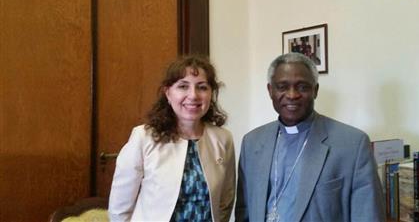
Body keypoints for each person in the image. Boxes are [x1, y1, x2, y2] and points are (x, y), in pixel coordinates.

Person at [235, 53, 384, 222]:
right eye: (282, 86)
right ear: (270, 90)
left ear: (315, 90)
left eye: (302, 87)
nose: (292, 95)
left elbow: (368, 216)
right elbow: (243, 211)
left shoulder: (353, 144)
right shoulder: (251, 142)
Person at [109, 55, 235, 222]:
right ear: (168, 93)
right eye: (183, 86)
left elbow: (225, 201)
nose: (193, 95)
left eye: (202, 87)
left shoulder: (223, 138)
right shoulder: (143, 137)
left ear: (211, 93)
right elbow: (119, 208)